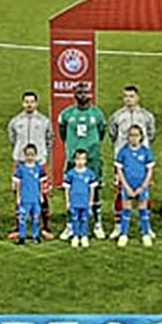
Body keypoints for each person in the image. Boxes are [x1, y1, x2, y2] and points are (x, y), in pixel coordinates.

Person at [58, 87, 109, 240]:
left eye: (85, 93)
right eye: (79, 93)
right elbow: (62, 133)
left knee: (95, 188)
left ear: (90, 95)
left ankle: (97, 223)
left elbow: (101, 133)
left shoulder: (97, 114)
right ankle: (70, 225)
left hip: (92, 157)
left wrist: (91, 147)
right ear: (74, 95)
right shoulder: (67, 114)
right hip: (74, 158)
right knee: (72, 189)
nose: (82, 96)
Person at [107, 85, 157, 238]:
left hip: (141, 161)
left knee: (145, 192)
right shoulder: (117, 116)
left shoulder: (147, 116)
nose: (129, 99)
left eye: (131, 96)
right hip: (123, 161)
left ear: (137, 98)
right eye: (126, 96)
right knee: (120, 192)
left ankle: (147, 227)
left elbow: (151, 134)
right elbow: (112, 134)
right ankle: (118, 225)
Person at [8, 91, 55, 240]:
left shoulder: (44, 121)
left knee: (43, 194)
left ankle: (45, 227)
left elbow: (50, 139)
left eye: (32, 102)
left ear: (36, 103)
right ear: (23, 103)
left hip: (39, 162)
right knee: (18, 193)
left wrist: (40, 155)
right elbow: (12, 138)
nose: (29, 104)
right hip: (20, 162)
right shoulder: (15, 121)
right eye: (26, 102)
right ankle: (18, 227)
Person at [114, 124, 155, 247]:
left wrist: (143, 187)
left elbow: (150, 171)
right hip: (128, 185)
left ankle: (146, 234)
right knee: (126, 210)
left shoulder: (146, 152)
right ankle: (123, 234)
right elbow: (119, 171)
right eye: (131, 135)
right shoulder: (123, 152)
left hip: (141, 185)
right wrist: (126, 186)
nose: (133, 138)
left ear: (141, 137)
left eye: (136, 135)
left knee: (143, 210)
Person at [13, 144, 46, 245]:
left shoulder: (38, 168)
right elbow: (18, 183)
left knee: (35, 217)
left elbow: (41, 183)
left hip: (35, 198)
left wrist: (41, 195)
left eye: (32, 155)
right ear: (24, 155)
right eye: (27, 155)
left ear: (36, 155)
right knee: (23, 218)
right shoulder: (21, 169)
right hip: (25, 198)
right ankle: (22, 236)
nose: (30, 157)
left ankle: (36, 236)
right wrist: (18, 197)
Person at [65, 149, 98, 248]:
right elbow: (67, 188)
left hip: (85, 201)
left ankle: (84, 236)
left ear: (86, 160)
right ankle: (75, 236)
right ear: (74, 160)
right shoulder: (71, 174)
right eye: (78, 159)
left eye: (83, 159)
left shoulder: (90, 174)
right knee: (74, 218)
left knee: (84, 219)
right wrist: (68, 201)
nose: (80, 162)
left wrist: (91, 201)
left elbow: (92, 189)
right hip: (74, 201)